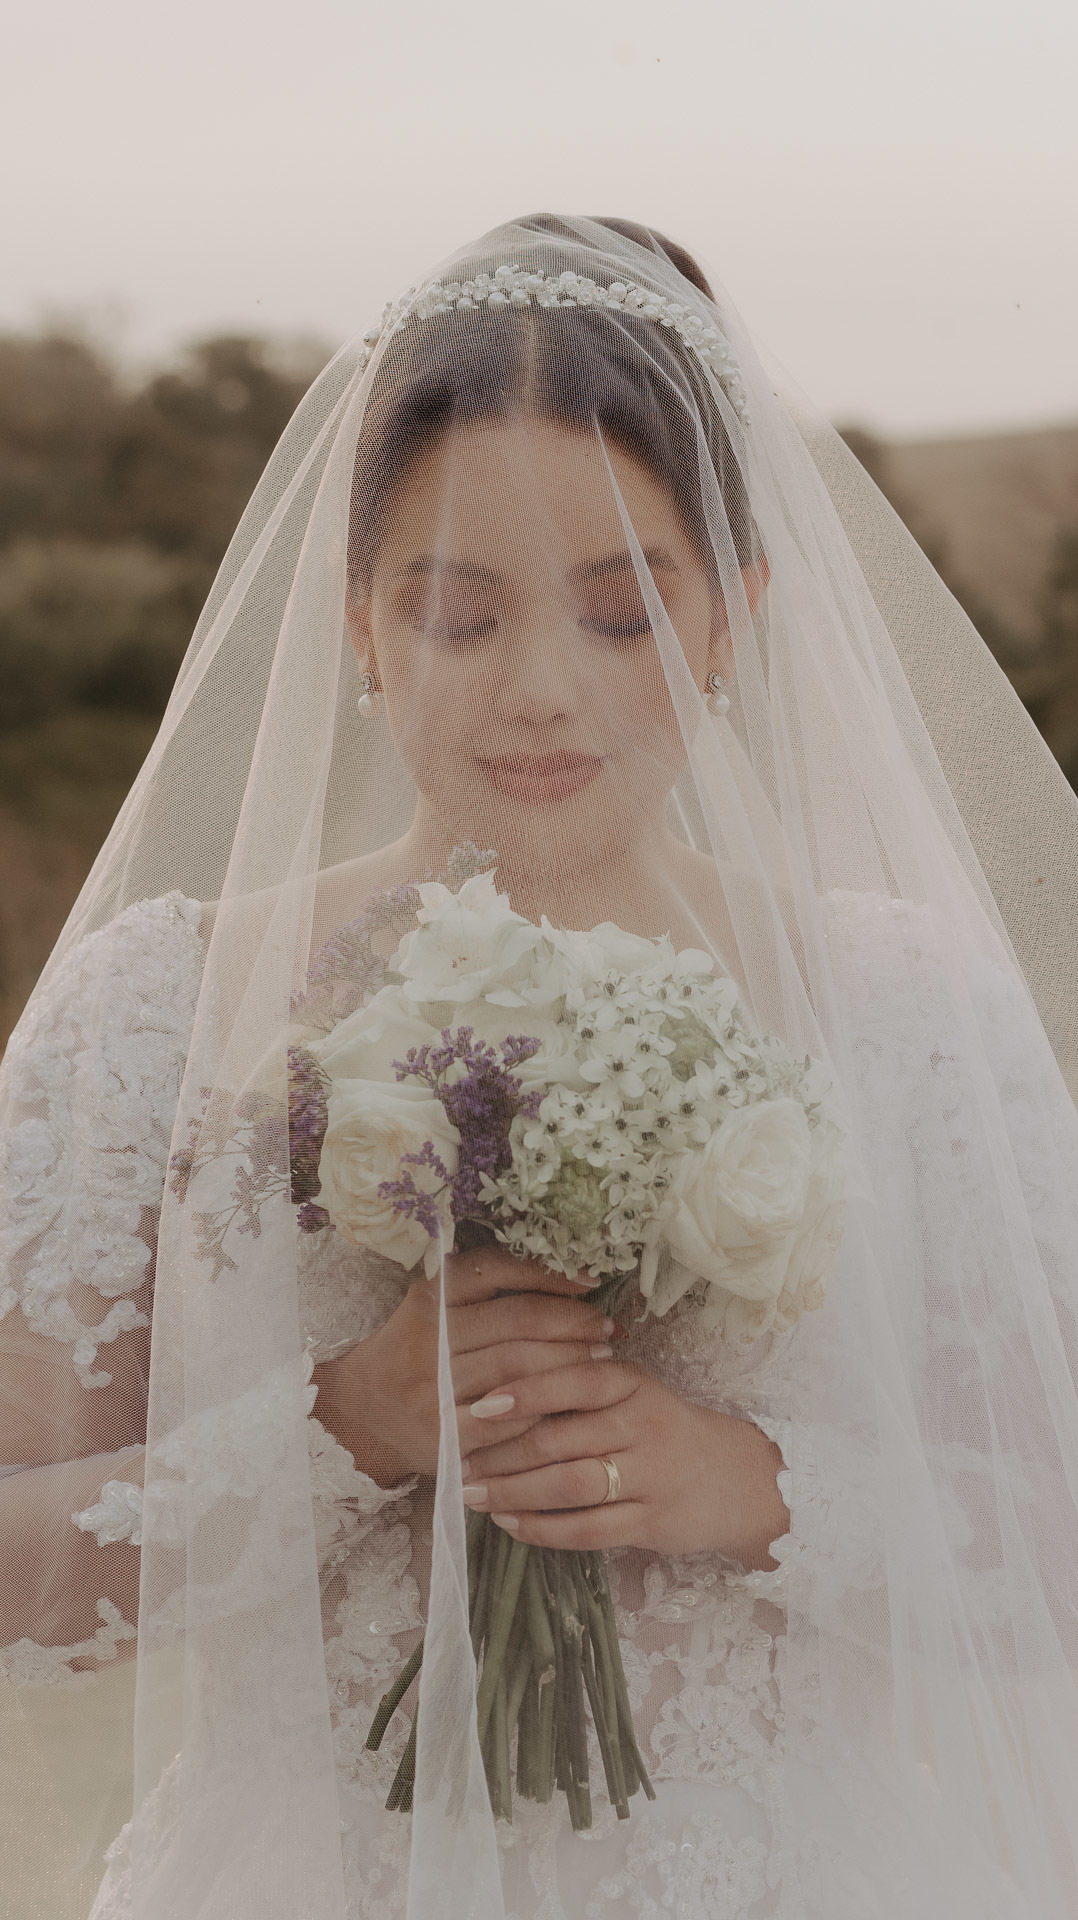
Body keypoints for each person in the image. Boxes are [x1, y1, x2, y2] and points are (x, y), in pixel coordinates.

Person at [3, 210, 1078, 1920]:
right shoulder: (164, 1008)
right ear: (358, 625)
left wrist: (751, 1486)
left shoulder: (903, 1005)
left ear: (737, 614)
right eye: (456, 614)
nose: (540, 694)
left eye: (623, 612)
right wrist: (339, 1430)